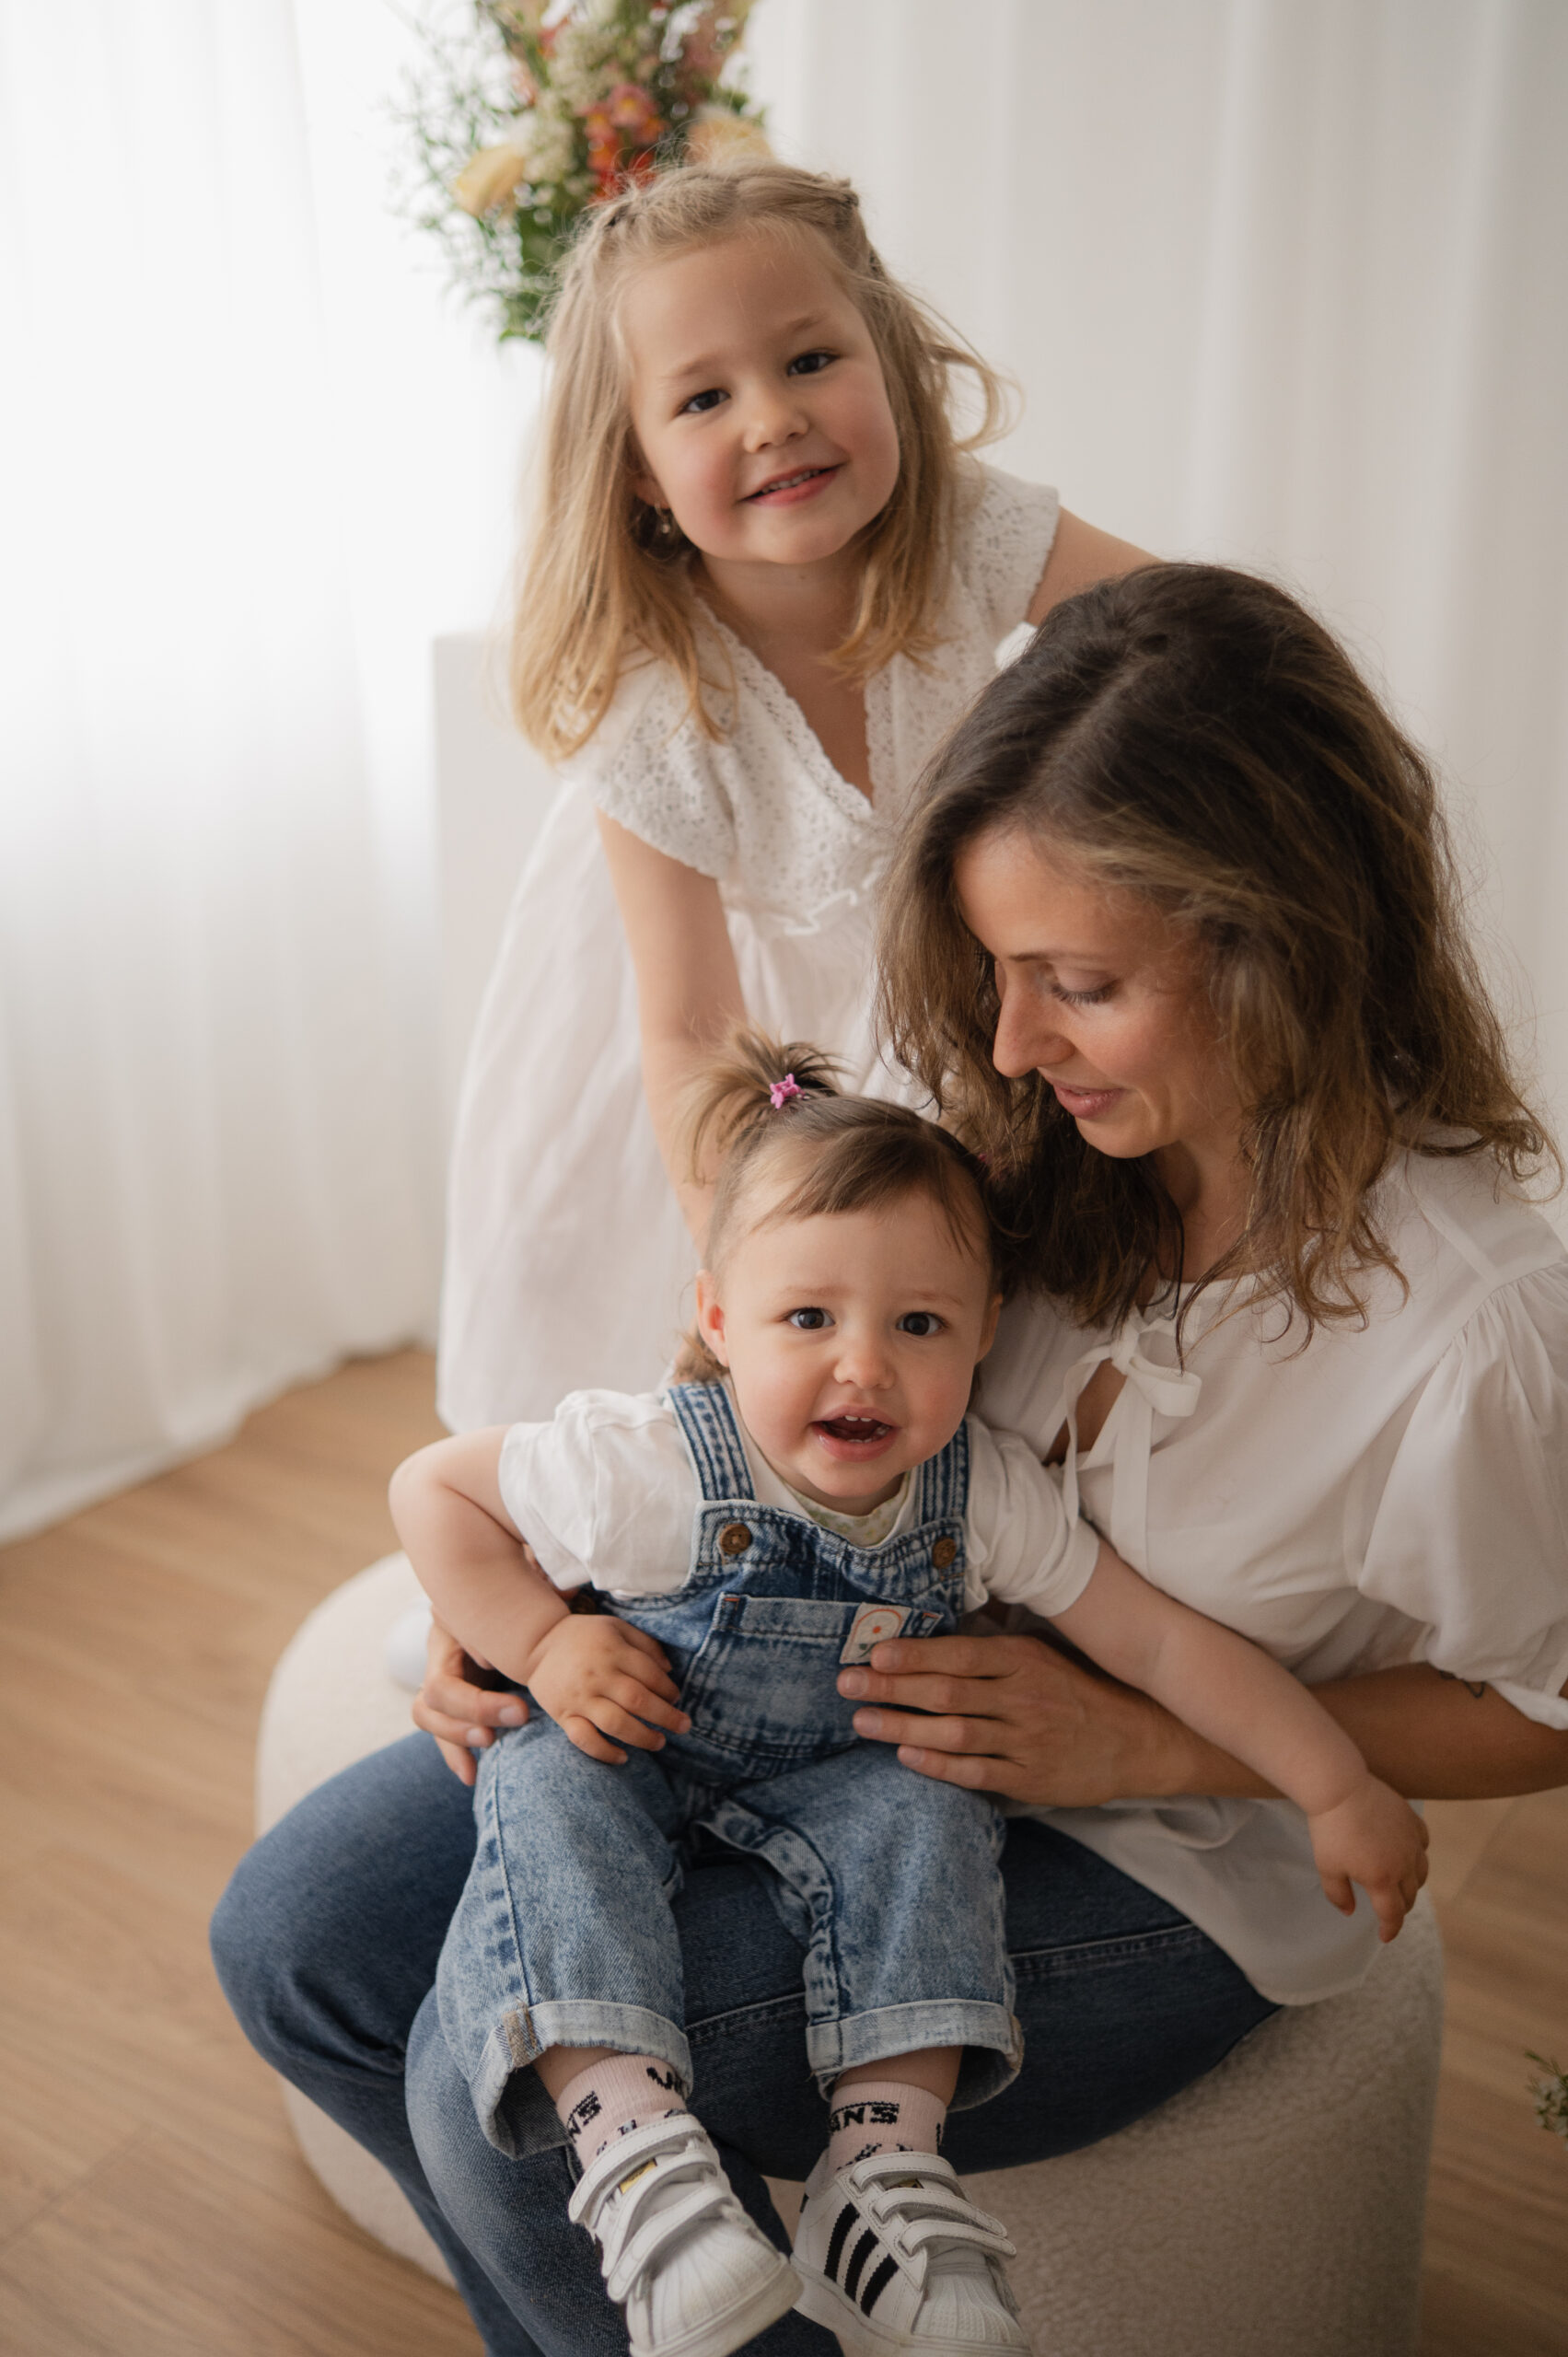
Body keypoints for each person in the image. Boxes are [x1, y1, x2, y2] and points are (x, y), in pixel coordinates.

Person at [212, 561, 1568, 2357]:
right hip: (808, 1696)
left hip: (1163, 1844)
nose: (1005, 1040)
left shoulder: (1478, 1334)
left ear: (1284, 942)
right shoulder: (1043, 1117)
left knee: (526, 2057)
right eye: (1000, 971)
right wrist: (545, 1600)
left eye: (1076, 979)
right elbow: (774, 1349)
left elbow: (1543, 1711)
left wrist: (1137, 1735)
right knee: (297, 1938)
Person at [389, 1032, 1424, 2357]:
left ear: (987, 1331)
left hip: (839, 1779)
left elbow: (1162, 1646)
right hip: (636, 1738)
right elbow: (434, 1487)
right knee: (547, 1788)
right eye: (808, 1319)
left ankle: (882, 2174)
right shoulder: (648, 1463)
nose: (863, 1366)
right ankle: (636, 2147)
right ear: (721, 1319)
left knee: (934, 1814)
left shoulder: (981, 1493)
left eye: (918, 1324)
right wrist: (536, 1644)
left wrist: (1331, 1780)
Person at [435, 157, 1145, 1434]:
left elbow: (1176, 627)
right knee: (673, 1327)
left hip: (943, 991)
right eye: (705, 397)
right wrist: (753, 1251)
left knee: (969, 1306)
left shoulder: (966, 534)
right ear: (643, 471)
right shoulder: (655, 700)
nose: (772, 417)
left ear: (887, 362)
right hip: (736, 1055)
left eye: (811, 361)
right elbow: (692, 1029)